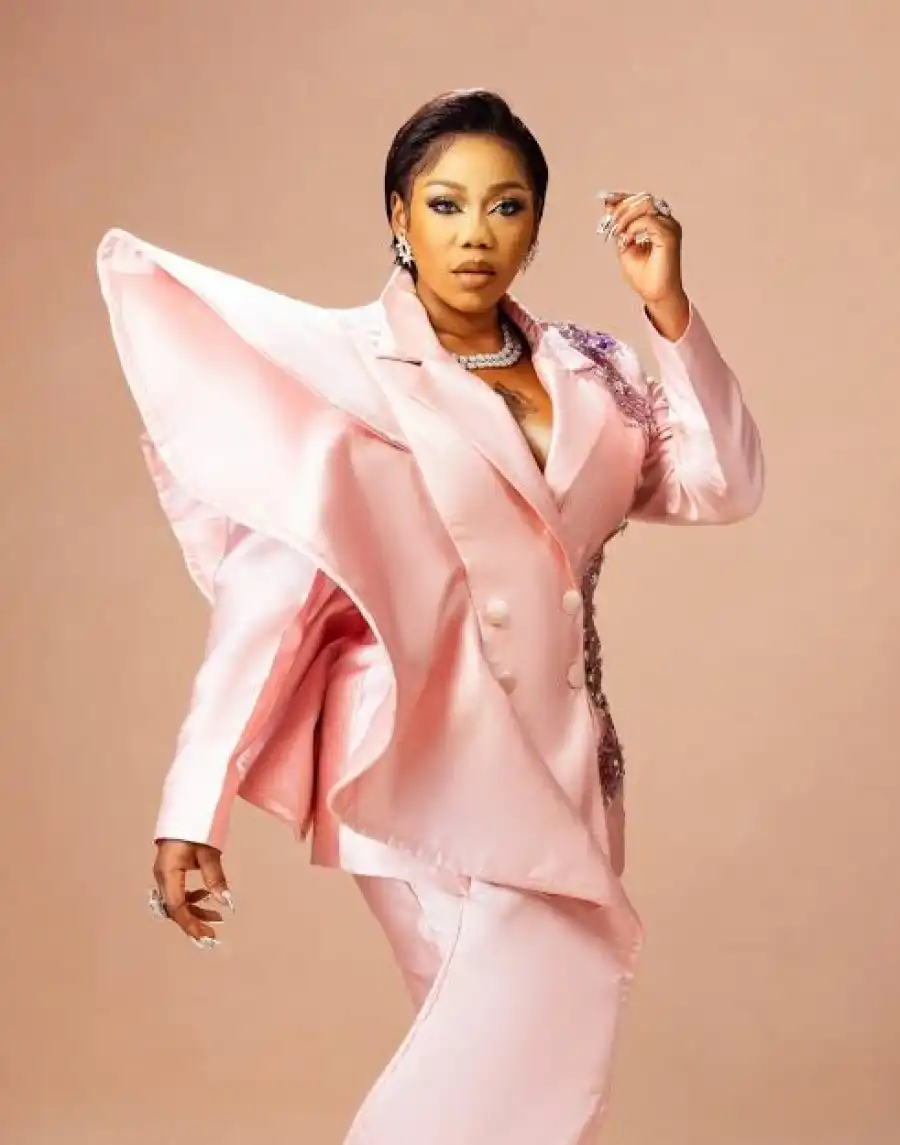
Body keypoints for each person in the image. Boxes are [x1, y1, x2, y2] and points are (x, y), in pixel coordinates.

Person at [97, 88, 764, 1144]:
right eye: (446, 204)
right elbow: (271, 601)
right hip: (423, 768)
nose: (476, 233)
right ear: (399, 216)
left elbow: (721, 485)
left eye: (506, 206)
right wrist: (193, 804)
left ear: (536, 225)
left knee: (543, 1078)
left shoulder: (591, 369)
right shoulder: (351, 376)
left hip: (569, 769)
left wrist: (669, 310)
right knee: (508, 1059)